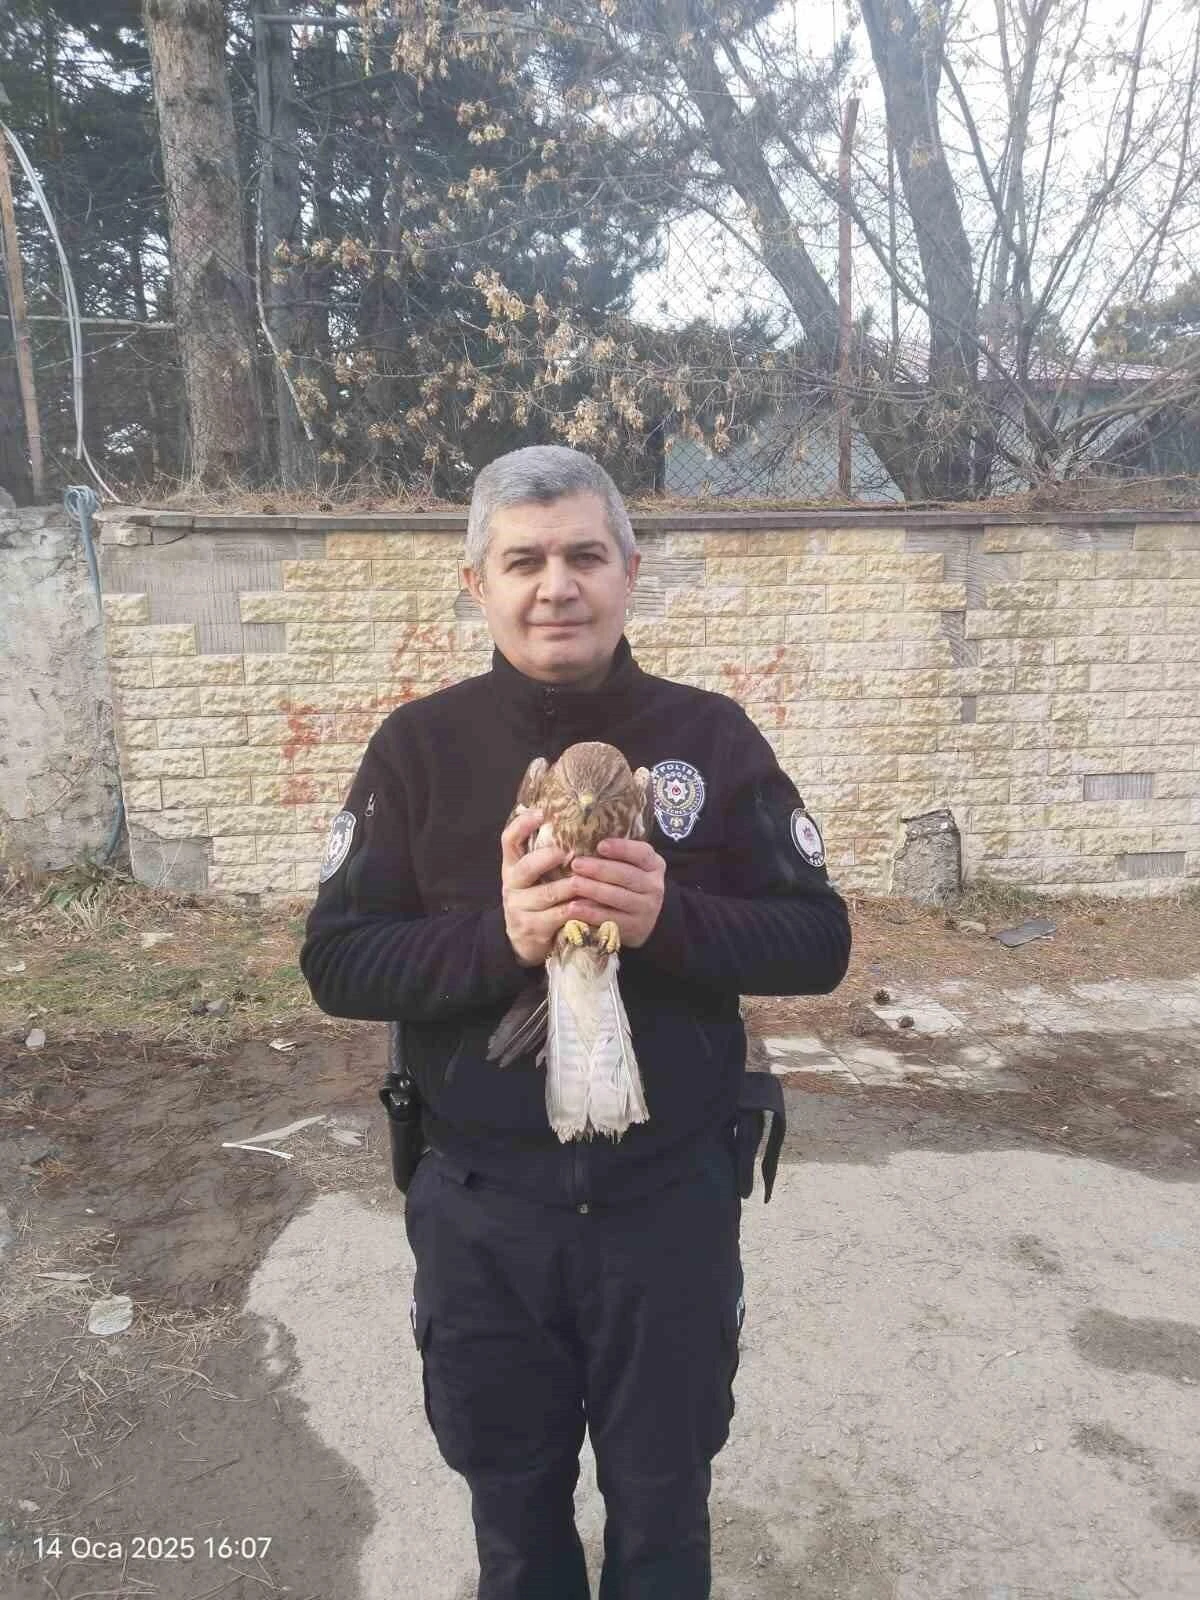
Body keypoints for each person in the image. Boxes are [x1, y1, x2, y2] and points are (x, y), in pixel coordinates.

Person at [300, 445, 851, 1600]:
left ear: (631, 571)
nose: (558, 584)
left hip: (669, 1209)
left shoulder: (712, 736)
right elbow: (337, 962)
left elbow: (819, 941)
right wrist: (496, 937)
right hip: (485, 1217)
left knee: (663, 1515)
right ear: (477, 584)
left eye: (585, 555)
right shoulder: (419, 750)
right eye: (526, 560)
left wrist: (672, 918)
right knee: (515, 1519)